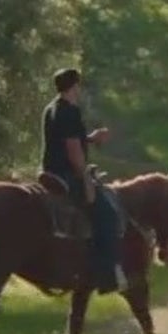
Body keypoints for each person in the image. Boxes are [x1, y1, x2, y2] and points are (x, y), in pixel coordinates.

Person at [40, 67, 123, 294]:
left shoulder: (52, 108)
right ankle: (105, 275)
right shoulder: (70, 111)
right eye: (79, 85)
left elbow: (68, 139)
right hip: (67, 174)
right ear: (74, 86)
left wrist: (91, 139)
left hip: (51, 171)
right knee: (107, 214)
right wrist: (85, 176)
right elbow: (72, 149)